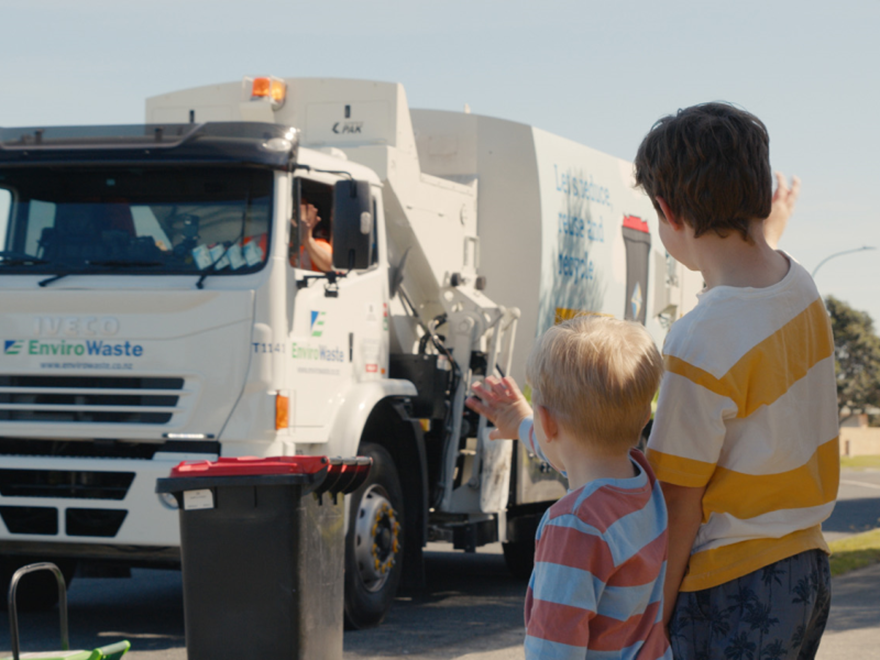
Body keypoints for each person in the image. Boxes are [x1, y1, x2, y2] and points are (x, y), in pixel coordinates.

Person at [634, 103, 837, 659]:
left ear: (667, 210)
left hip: (731, 583)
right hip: (807, 571)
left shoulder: (699, 340)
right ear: (761, 195)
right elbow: (753, 269)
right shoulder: (801, 289)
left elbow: (680, 499)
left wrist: (656, 617)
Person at [467, 315, 671, 660]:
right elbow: (573, 450)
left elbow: (554, 646)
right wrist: (520, 422)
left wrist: (527, 421)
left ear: (546, 421)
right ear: (644, 418)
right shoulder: (641, 483)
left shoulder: (575, 524)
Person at [295, 198, 332, 272]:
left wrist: (307, 240)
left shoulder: (320, 245)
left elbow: (331, 267)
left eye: (304, 211)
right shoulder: (270, 240)